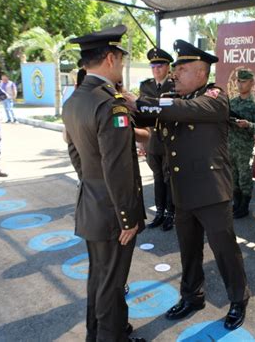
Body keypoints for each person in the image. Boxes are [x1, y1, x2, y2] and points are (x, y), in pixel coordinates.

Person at [133, 39, 250, 330]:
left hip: (211, 191)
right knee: (188, 249)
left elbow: (181, 111)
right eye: (175, 70)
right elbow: (159, 129)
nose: (174, 74)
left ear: (201, 72)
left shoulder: (215, 97)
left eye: (181, 69)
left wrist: (144, 103)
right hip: (182, 190)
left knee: (224, 250)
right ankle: (192, 296)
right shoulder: (175, 100)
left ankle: (238, 299)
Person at [62, 25, 146, 342]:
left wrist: (92, 185)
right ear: (110, 58)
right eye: (121, 59)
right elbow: (118, 166)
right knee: (112, 284)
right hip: (113, 215)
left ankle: (98, 334)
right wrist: (127, 216)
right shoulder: (112, 104)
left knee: (99, 277)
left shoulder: (74, 101)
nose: (122, 65)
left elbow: (75, 153)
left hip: (91, 205)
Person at [139, 47, 175, 231]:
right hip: (153, 139)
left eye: (160, 65)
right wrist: (141, 141)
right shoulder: (145, 86)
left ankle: (171, 213)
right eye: (153, 66)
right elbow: (141, 114)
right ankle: (159, 212)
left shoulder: (175, 85)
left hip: (170, 139)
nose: (156, 69)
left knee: (169, 177)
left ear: (168, 67)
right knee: (157, 177)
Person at [229, 69, 255, 219]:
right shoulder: (231, 102)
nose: (240, 84)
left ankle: (244, 207)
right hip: (230, 146)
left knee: (244, 178)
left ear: (251, 83)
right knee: (233, 177)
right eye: (238, 81)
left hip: (245, 148)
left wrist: (248, 125)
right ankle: (236, 204)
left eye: (244, 81)